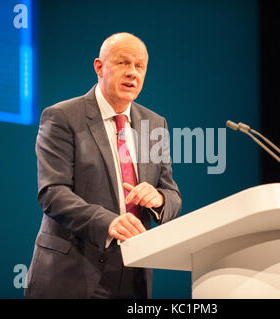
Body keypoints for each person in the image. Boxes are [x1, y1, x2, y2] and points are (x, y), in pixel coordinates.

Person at [24, 33, 182, 299]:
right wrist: (107, 222)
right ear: (99, 67)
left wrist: (160, 199)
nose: (132, 73)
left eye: (139, 66)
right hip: (72, 272)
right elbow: (53, 192)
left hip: (133, 275)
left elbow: (173, 195)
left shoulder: (155, 124)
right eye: (123, 63)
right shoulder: (62, 117)